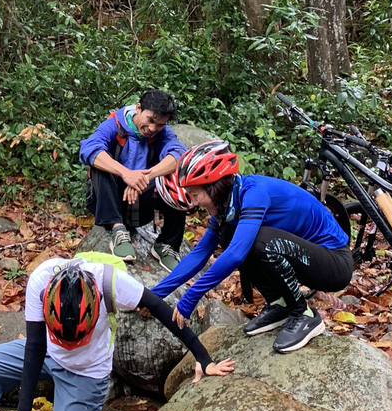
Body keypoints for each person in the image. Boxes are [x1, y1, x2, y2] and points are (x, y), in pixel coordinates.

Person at [0, 253, 235, 411]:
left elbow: (165, 313)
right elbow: (34, 349)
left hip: (87, 374)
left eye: (77, 338)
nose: (70, 344)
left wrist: (204, 357)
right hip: (46, 353)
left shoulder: (112, 283)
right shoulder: (41, 282)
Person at [151, 142, 354, 354]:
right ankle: (280, 304)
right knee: (229, 234)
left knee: (260, 241)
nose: (193, 202)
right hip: (305, 257)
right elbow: (200, 253)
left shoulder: (254, 193)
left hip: (335, 263)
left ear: (214, 187)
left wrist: (191, 297)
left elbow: (236, 254)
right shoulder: (227, 207)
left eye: (195, 194)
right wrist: (154, 296)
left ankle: (303, 314)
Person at [78, 89, 186, 266]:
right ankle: (117, 230)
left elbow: (179, 155)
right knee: (99, 164)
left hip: (142, 203)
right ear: (138, 108)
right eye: (150, 120)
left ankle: (167, 244)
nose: (152, 129)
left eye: (159, 125)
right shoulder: (115, 124)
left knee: (178, 175)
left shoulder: (162, 133)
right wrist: (126, 174)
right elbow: (89, 148)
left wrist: (145, 176)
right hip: (109, 201)